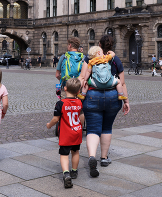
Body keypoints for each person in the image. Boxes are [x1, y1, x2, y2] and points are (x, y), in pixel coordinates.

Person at [78, 35, 130, 178]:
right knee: (107, 127)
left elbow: (82, 78)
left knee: (93, 129)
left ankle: (92, 156)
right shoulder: (115, 59)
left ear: (99, 45)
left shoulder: (90, 58)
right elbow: (122, 83)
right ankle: (104, 158)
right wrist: (126, 101)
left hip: (93, 96)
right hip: (113, 96)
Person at [46, 78, 83, 188]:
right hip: (77, 132)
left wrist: (49, 125)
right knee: (75, 152)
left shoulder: (60, 103)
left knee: (64, 154)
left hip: (66, 134)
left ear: (65, 88)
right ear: (78, 91)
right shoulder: (80, 102)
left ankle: (66, 173)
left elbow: (56, 119)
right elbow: (82, 118)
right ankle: (74, 171)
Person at [55, 37, 85, 123]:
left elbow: (57, 74)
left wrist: (64, 80)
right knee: (80, 108)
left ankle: (66, 125)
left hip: (66, 87)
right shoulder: (83, 57)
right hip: (79, 88)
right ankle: (80, 126)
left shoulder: (63, 57)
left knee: (65, 107)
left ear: (70, 45)